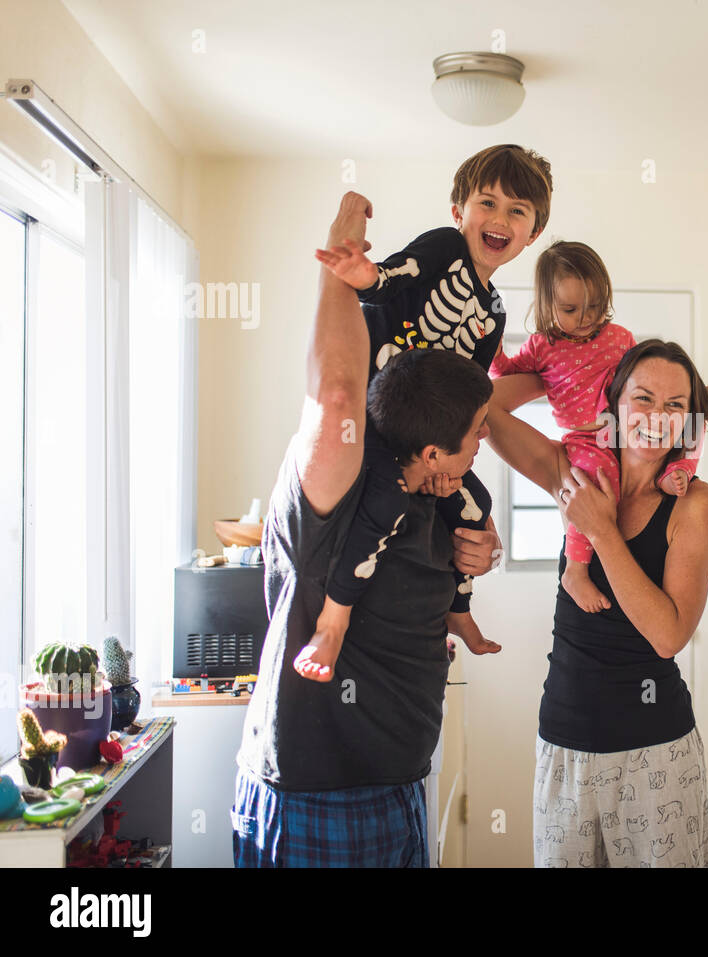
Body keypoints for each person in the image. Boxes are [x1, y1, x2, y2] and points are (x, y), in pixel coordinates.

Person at [231, 192, 503, 867]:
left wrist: (478, 548)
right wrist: (340, 263)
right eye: (475, 437)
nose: (481, 447)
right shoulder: (341, 484)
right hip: (317, 795)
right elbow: (339, 391)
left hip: (401, 783)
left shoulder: (432, 494)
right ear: (437, 447)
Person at [295, 144, 553, 682]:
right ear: (460, 211)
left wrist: (447, 466)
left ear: (532, 234)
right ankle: (334, 621)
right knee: (383, 504)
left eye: (517, 212)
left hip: (427, 439)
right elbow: (395, 276)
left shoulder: (496, 314)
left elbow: (468, 391)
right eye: (488, 202)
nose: (500, 219)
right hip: (378, 415)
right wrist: (364, 275)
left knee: (476, 504)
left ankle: (459, 614)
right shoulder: (443, 247)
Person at [486, 336, 708, 868]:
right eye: (642, 398)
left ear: (690, 420)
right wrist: (551, 373)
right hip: (564, 741)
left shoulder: (695, 502)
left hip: (655, 750)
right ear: (612, 402)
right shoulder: (575, 471)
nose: (656, 417)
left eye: (675, 405)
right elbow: (487, 408)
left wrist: (604, 534)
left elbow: (669, 636)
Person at [491, 241, 708, 613]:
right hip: (584, 437)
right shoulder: (542, 347)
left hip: (614, 426)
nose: (585, 318)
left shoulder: (618, 338)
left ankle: (677, 469)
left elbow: (645, 384)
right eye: (570, 309)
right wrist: (526, 368)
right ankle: (577, 569)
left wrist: (695, 398)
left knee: (689, 423)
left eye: (596, 307)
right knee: (597, 485)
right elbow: (501, 379)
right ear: (548, 306)